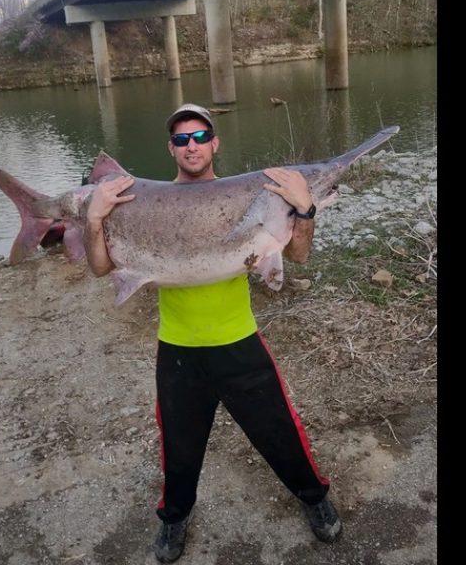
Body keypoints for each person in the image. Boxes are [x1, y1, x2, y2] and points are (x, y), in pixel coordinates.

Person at [84, 103, 341, 563]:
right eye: (182, 139)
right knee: (179, 449)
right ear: (171, 148)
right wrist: (94, 218)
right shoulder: (137, 200)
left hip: (238, 340)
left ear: (214, 143)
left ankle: (314, 498)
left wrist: (305, 207)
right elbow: (101, 267)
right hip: (178, 347)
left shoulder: (255, 193)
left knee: (280, 432)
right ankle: (174, 519)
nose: (192, 146)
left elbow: (297, 255)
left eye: (200, 137)